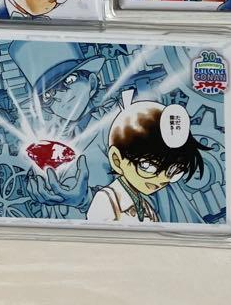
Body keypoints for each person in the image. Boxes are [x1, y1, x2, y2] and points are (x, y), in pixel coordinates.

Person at [86, 95, 208, 224]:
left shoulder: (145, 206)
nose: (161, 179)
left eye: (173, 171)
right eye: (148, 166)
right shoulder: (106, 199)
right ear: (117, 160)